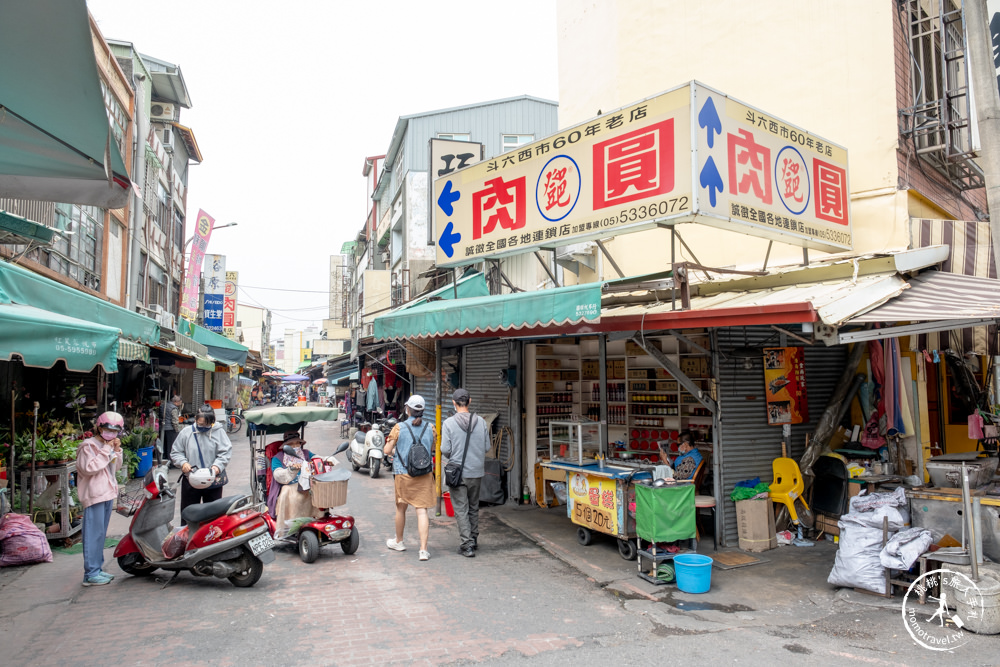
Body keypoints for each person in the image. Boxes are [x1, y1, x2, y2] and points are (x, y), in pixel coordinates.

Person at [382, 394, 436, 561]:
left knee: (401, 509)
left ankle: (399, 541)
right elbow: (432, 448)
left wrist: (394, 451)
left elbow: (386, 450)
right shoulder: (431, 427)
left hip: (403, 473)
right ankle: (423, 550)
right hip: (424, 474)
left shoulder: (399, 427)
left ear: (408, 410)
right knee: (422, 511)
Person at [76, 412, 125, 586]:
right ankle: (90, 573)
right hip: (94, 494)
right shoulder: (87, 446)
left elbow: (115, 467)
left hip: (107, 493)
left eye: (115, 431)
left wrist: (117, 450)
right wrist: (106, 449)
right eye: (107, 429)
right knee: (92, 534)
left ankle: (97, 569)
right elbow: (90, 468)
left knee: (100, 534)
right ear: (99, 427)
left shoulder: (109, 445)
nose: (111, 434)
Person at [440, 388, 489, 557]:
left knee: (461, 509)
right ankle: (473, 539)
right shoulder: (481, 422)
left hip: (458, 472)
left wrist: (456, 454)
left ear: (454, 403)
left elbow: (445, 449)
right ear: (470, 401)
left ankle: (466, 544)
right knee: (474, 506)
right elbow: (487, 447)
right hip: (476, 471)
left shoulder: (449, 423)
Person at [171, 404, 233, 512]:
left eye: (207, 424)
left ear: (213, 422)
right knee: (189, 514)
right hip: (190, 479)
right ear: (195, 419)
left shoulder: (219, 432)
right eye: (201, 424)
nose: (203, 427)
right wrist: (183, 463)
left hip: (212, 480)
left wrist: (217, 466)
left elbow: (225, 452)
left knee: (213, 515)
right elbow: (176, 452)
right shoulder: (186, 433)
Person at [270, 431, 322, 538]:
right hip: (288, 486)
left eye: (297, 443)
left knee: (319, 490)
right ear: (285, 446)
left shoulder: (306, 454)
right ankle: (290, 528)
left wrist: (326, 460)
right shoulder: (278, 458)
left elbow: (317, 459)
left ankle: (317, 522)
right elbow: (278, 474)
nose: (295, 446)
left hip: (307, 484)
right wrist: (291, 470)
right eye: (291, 444)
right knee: (288, 494)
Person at [161, 395, 182, 466]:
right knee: (171, 447)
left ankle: (164, 460)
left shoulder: (163, 406)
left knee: (164, 446)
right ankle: (170, 463)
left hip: (163, 428)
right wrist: (177, 431)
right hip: (171, 429)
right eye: (180, 402)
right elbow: (174, 421)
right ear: (176, 402)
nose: (180, 404)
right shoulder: (174, 408)